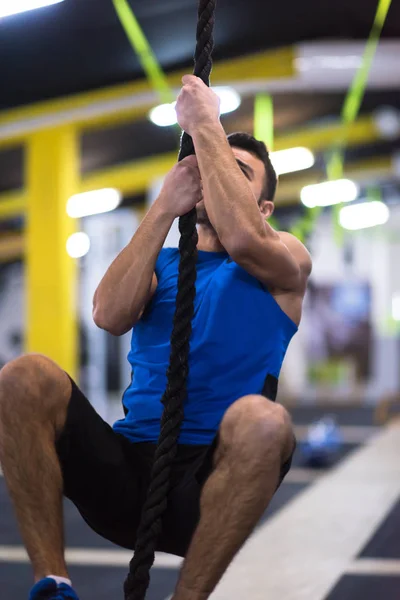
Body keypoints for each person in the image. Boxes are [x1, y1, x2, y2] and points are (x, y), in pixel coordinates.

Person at [0, 75, 312, 600]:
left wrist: (205, 123)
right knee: (24, 376)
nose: (216, 178)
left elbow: (241, 237)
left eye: (236, 175)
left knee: (265, 420)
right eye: (209, 169)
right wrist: (164, 206)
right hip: (129, 478)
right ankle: (52, 585)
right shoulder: (161, 263)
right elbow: (107, 313)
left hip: (210, 484)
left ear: (263, 208)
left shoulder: (283, 255)